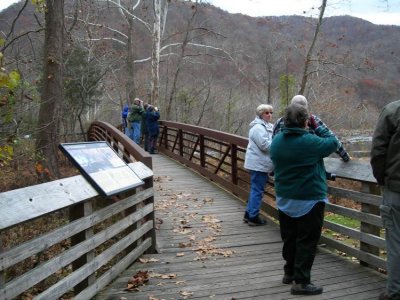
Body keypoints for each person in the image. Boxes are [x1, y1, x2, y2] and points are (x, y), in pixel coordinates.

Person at [270, 103, 339, 296]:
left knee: (289, 237)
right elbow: (333, 142)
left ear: (284, 121)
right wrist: (317, 126)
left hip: (285, 197)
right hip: (309, 198)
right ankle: (301, 282)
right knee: (307, 240)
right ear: (305, 121)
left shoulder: (276, 141)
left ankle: (289, 272)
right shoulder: (310, 142)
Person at [370, 100, 400, 300]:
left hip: (396, 189)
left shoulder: (392, 110)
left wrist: (383, 180)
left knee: (396, 242)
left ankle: (395, 291)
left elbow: (378, 151)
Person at [273, 95, 350, 162]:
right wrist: (345, 157)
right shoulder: (312, 121)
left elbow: (273, 146)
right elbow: (334, 142)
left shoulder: (279, 122)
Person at [243, 104, 274, 226]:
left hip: (260, 163)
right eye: (267, 113)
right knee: (257, 190)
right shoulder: (257, 128)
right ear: (261, 114)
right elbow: (265, 146)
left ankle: (248, 214)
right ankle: (253, 217)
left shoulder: (266, 126)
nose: (270, 115)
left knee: (255, 189)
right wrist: (278, 145)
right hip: (258, 164)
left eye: (271, 112)